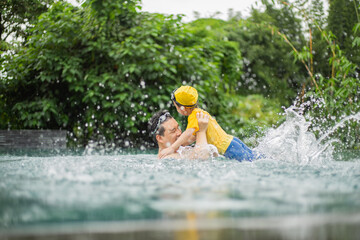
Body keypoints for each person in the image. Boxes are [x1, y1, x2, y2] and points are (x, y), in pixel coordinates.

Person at [159, 85, 256, 161]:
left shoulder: (194, 116)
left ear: (182, 108)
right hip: (232, 141)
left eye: (176, 107)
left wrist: (172, 148)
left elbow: (188, 133)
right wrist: (181, 146)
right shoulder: (200, 112)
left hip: (229, 149)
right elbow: (192, 137)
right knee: (256, 157)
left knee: (253, 162)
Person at [148, 109, 218, 160]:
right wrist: (201, 131)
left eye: (178, 127)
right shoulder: (167, 159)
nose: (179, 132)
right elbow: (202, 157)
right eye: (173, 131)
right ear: (160, 138)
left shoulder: (180, 150)